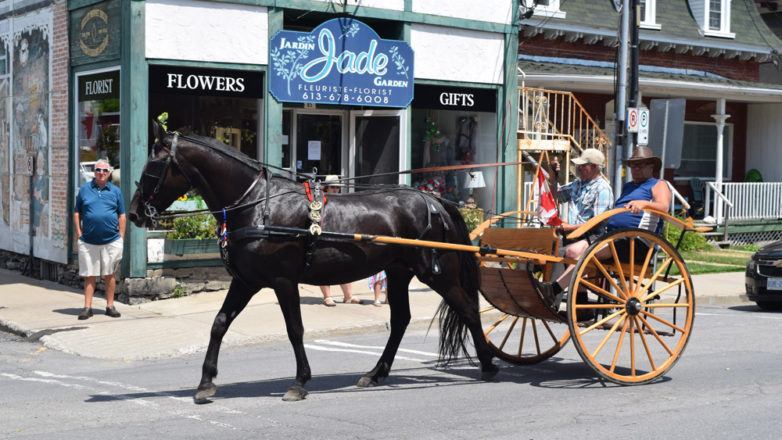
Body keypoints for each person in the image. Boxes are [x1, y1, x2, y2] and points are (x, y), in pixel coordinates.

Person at [532, 148, 613, 303]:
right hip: (572, 233)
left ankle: (553, 293)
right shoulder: (577, 184)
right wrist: (554, 174)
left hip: (593, 235)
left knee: (565, 252)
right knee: (545, 247)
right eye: (579, 165)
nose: (579, 168)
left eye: (584, 165)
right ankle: (577, 303)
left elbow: (596, 222)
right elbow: (556, 195)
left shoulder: (603, 189)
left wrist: (569, 227)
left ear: (595, 167)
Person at [74, 158, 125, 320]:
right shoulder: (84, 190)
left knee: (110, 275)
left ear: (109, 173)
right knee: (90, 275)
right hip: (88, 241)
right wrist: (79, 234)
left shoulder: (115, 191)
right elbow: (77, 213)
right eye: (98, 170)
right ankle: (87, 308)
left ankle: (110, 306)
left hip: (111, 240)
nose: (101, 173)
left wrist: (121, 237)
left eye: (104, 170)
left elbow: (122, 215)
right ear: (94, 172)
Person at [318, 175, 359, 307]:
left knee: (344, 265)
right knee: (324, 267)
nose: (336, 190)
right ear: (326, 188)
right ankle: (327, 297)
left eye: (337, 187)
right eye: (333, 187)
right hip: (325, 235)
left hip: (341, 234)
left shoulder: (342, 200)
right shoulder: (320, 199)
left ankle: (348, 296)